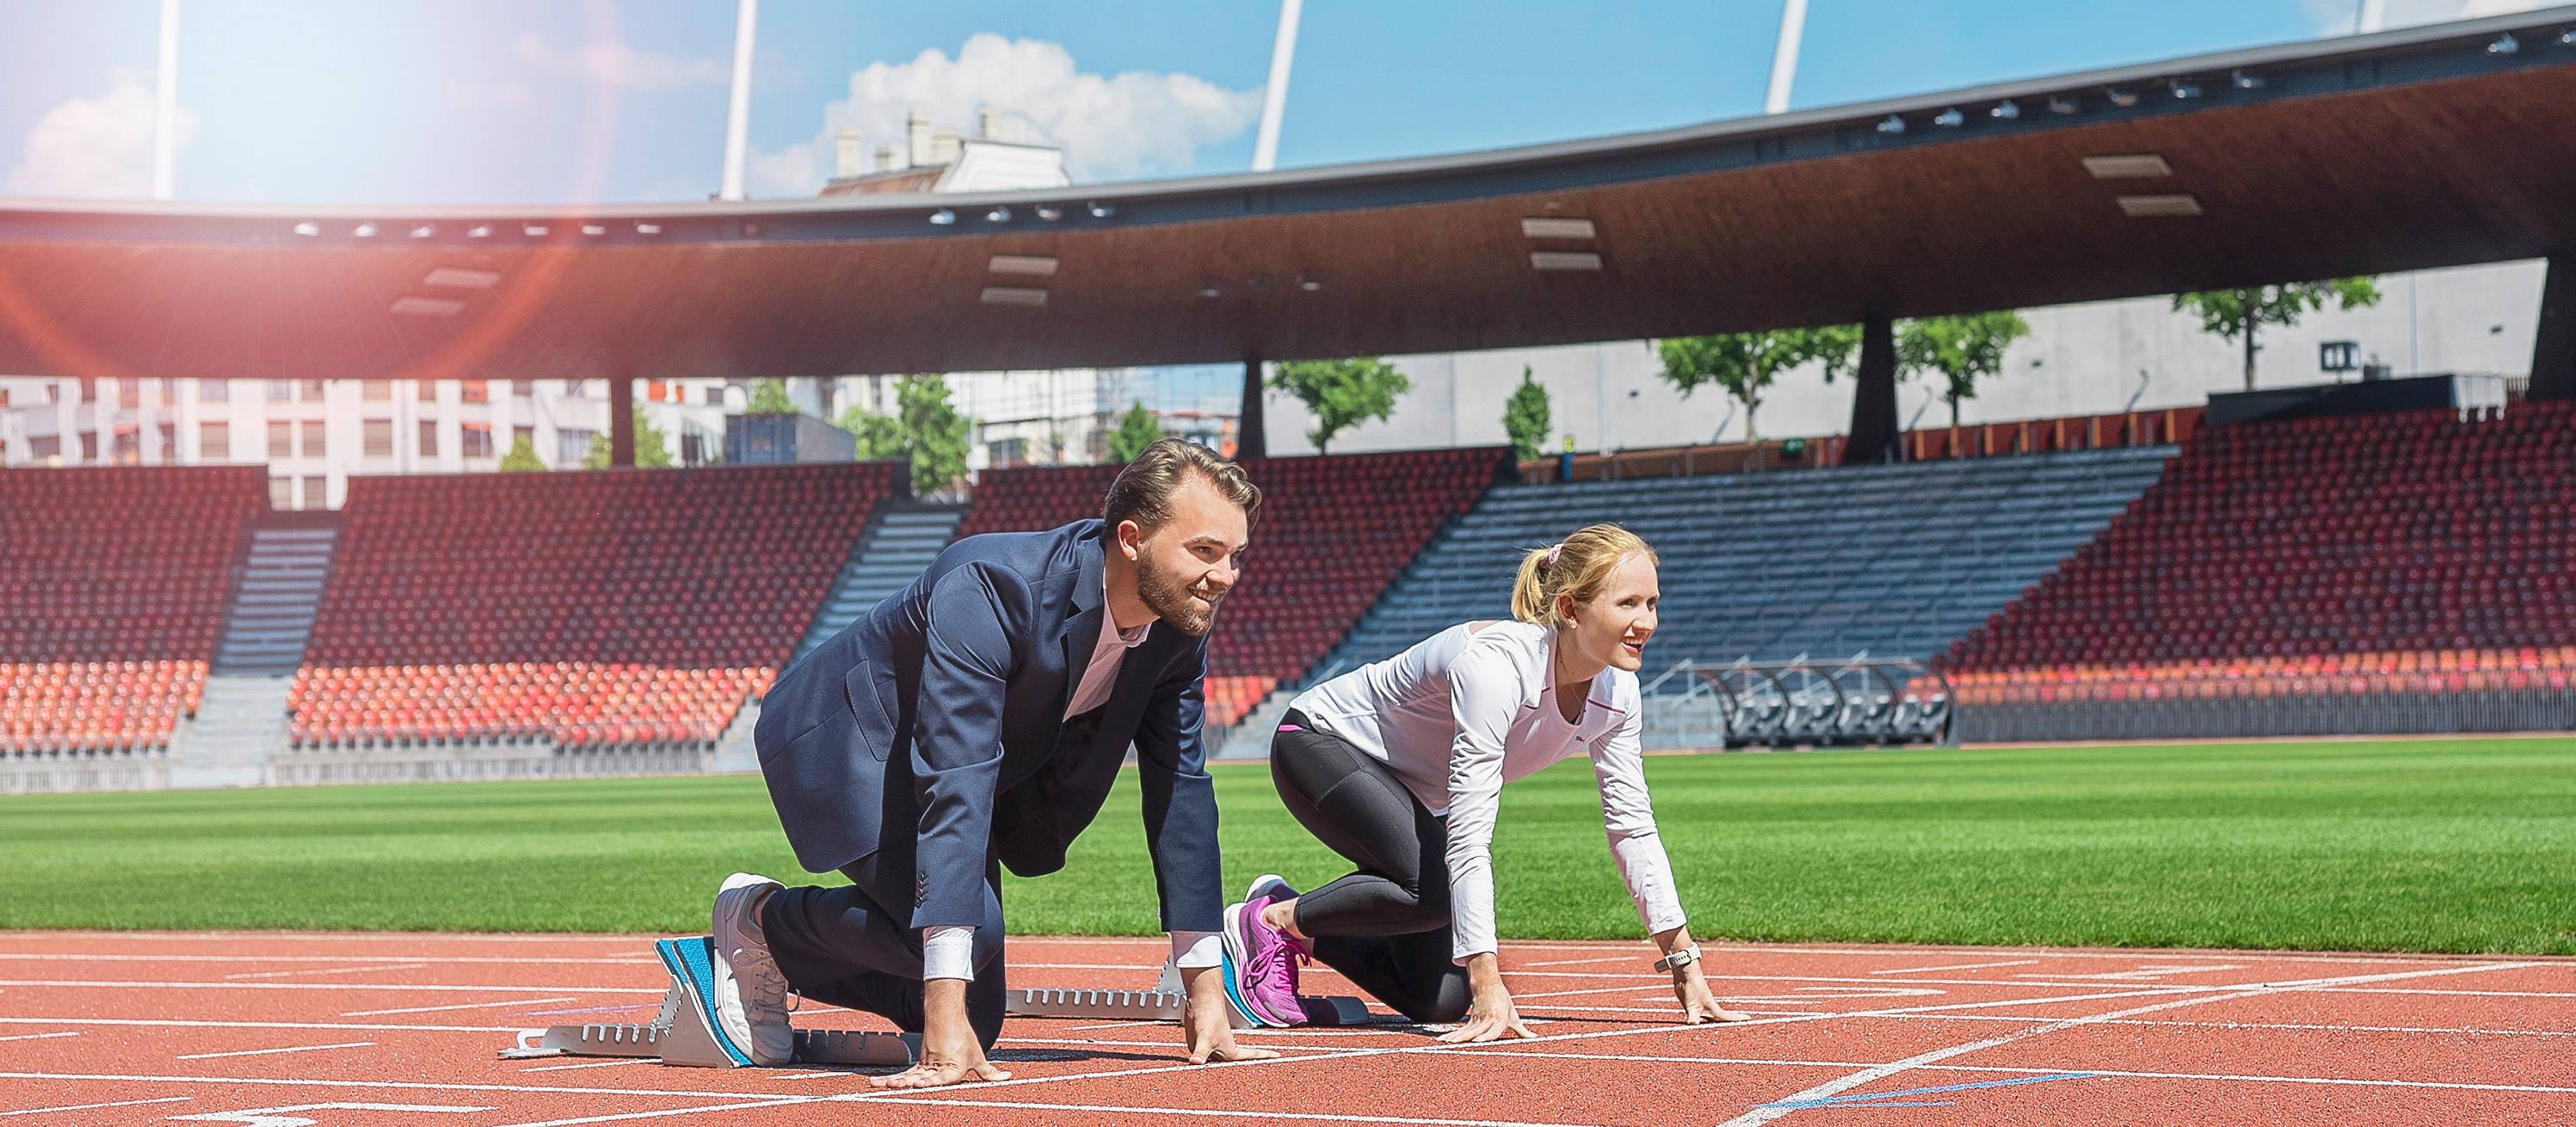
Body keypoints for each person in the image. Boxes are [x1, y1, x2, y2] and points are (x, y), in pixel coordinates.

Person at [707, 438, 1278, 1087]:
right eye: (1205, 551)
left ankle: (807, 955)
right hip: (855, 741)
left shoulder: (1177, 629)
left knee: (977, 1012)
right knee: (965, 949)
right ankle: (760, 923)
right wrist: (941, 1020)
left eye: (1235, 556)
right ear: (1131, 538)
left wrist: (1205, 993)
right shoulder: (993, 584)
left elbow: (1181, 790)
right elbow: (958, 772)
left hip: (969, 757)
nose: (1227, 575)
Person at [1221, 523, 1750, 1040]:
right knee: (1428, 894)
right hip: (1320, 743)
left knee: (1439, 999)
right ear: (1569, 609)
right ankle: (1270, 922)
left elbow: (1632, 828)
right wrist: (1488, 977)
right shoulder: (1497, 666)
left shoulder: (1618, 694)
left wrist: (1684, 963)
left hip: (1415, 791)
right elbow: (1470, 832)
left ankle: (1291, 913)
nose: (1647, 621)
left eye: (1652, 603)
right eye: (1628, 603)